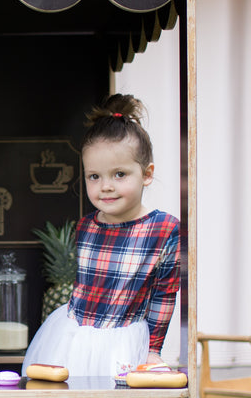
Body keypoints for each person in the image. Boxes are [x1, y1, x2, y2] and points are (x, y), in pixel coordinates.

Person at [23, 93, 181, 380]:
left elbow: (164, 296)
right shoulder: (86, 225)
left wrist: (154, 350)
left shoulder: (163, 228)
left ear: (147, 174)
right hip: (73, 335)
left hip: (122, 339)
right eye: (94, 176)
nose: (105, 186)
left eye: (119, 174)